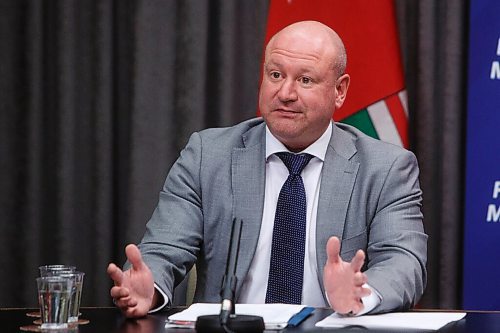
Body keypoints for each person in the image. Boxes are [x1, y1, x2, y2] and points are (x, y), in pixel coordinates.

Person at [108, 20, 427, 318]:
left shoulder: (384, 168)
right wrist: (150, 289)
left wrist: (361, 294)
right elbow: (163, 249)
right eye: (275, 75)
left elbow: (404, 261)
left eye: (305, 80)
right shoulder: (208, 155)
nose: (285, 93)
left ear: (339, 90)